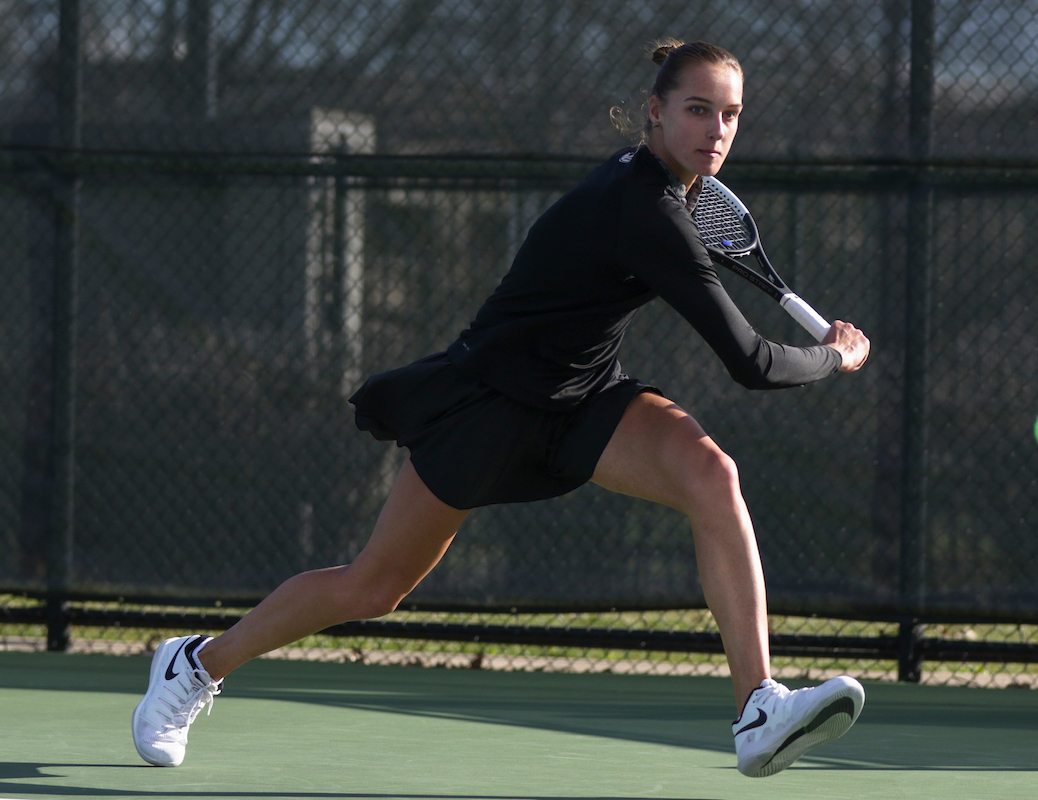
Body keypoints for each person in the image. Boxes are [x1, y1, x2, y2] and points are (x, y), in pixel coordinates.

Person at [132, 39, 871, 779]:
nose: (717, 130)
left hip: (585, 397)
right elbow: (750, 363)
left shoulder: (665, 193)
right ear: (654, 112)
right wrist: (835, 355)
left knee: (713, 474)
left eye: (731, 115)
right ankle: (194, 664)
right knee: (373, 588)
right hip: (488, 405)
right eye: (698, 110)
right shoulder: (645, 207)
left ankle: (757, 708)